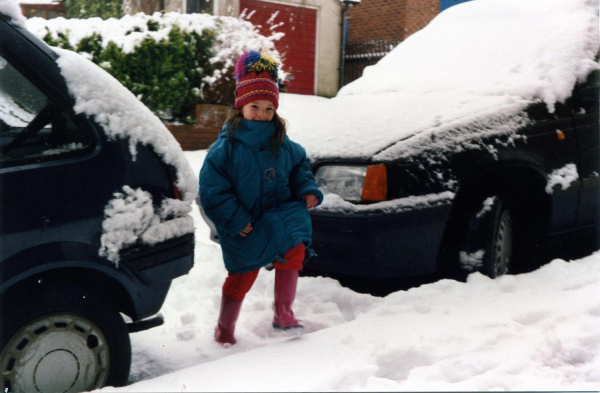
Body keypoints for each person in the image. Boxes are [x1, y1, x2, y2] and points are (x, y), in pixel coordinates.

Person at [199, 49, 324, 346]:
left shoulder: (281, 142)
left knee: (294, 252)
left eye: (269, 108)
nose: (262, 114)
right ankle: (224, 329)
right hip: (246, 222)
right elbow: (212, 190)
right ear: (240, 107)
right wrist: (235, 219)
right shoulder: (226, 148)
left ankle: (284, 312)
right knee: (243, 274)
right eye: (255, 106)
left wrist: (306, 188)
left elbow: (298, 166)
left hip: (279, 214)